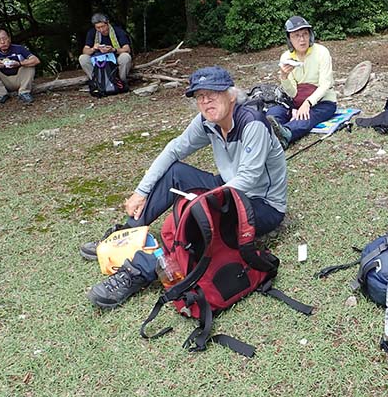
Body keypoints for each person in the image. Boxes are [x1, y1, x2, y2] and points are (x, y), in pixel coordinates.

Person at [83, 66, 288, 309]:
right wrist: (141, 192)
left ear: (231, 95)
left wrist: (200, 206)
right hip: (228, 190)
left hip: (262, 206)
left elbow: (248, 179)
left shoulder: (252, 123)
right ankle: (126, 237)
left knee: (199, 224)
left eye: (213, 93)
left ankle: (137, 271)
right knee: (177, 172)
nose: (206, 100)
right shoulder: (208, 121)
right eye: (200, 96)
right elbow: (174, 149)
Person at [265, 16, 337, 149]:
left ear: (310, 35)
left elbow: (325, 84)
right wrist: (284, 76)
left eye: (305, 34)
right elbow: (292, 93)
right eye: (296, 35)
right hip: (296, 101)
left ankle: (285, 134)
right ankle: (268, 133)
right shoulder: (286, 57)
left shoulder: (322, 52)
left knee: (306, 117)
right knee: (273, 113)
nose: (302, 39)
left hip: (322, 101)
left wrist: (308, 103)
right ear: (289, 39)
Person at [0, 28, 40, 104]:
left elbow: (36, 60)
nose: (3, 42)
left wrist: (20, 63)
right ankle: (2, 94)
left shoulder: (19, 48)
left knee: (30, 64)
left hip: (19, 79)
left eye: (5, 39)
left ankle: (24, 92)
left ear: (9, 38)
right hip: (3, 82)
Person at [78, 13, 133, 84]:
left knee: (125, 57)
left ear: (108, 23)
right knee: (83, 58)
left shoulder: (118, 31)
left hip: (115, 59)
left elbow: (127, 49)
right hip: (98, 60)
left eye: (103, 26)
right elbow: (85, 50)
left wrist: (113, 50)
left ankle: (120, 82)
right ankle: (98, 82)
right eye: (98, 27)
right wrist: (93, 49)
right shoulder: (92, 33)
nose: (101, 30)